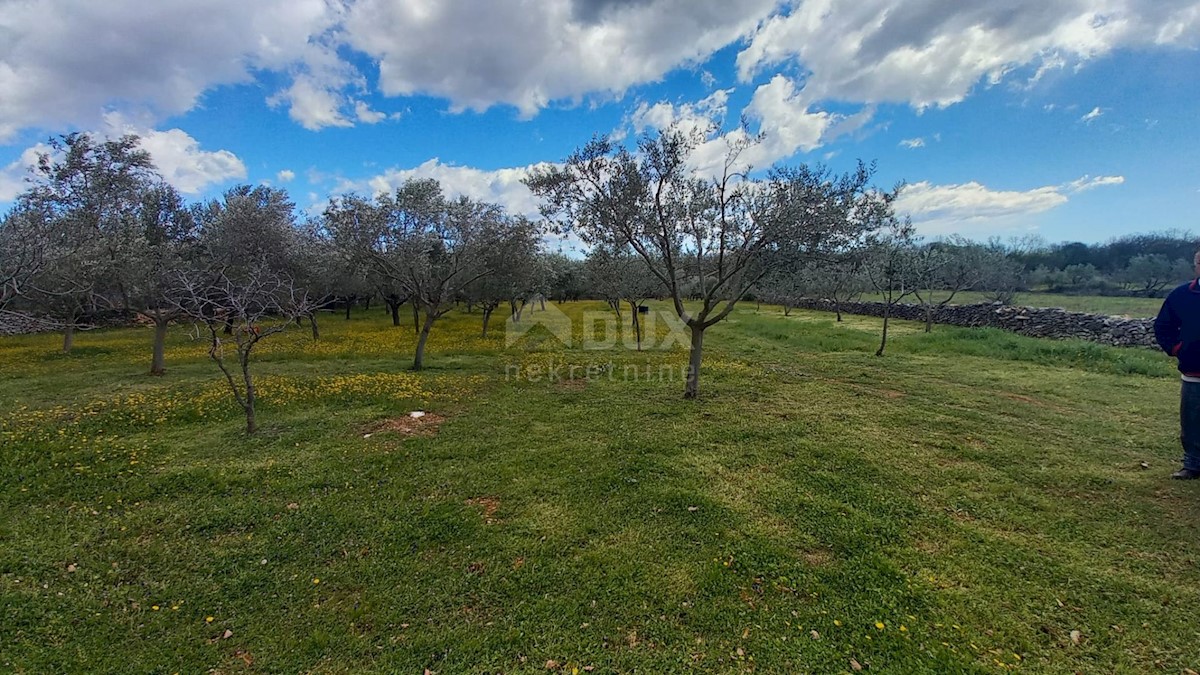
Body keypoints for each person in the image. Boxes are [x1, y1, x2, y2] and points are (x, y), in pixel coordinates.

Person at [1154, 250, 1200, 479]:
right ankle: (1193, 465)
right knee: (1192, 421)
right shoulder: (1181, 295)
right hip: (1194, 372)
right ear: (1196, 266)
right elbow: (1163, 327)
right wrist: (1178, 349)